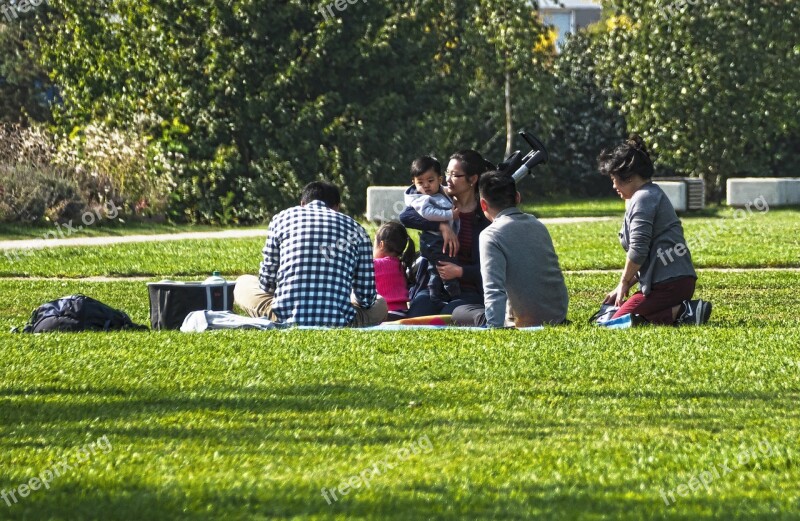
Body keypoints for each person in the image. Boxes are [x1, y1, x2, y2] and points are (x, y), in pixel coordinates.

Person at [234, 182, 387, 327]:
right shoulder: (357, 230)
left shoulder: (281, 219)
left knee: (243, 282)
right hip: (341, 319)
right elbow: (366, 299)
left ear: (302, 203)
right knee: (381, 304)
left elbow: (267, 284)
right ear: (337, 207)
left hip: (282, 317)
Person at [598, 135, 711, 325]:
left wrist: (624, 282)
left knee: (617, 322)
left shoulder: (643, 198)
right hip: (670, 282)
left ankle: (683, 311)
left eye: (614, 179)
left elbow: (638, 250)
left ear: (629, 177)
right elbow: (648, 260)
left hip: (669, 284)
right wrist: (621, 288)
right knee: (614, 318)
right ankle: (683, 312)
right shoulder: (646, 195)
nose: (613, 186)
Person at [451, 171, 569, 328]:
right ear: (517, 197)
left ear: (483, 204)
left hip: (522, 322)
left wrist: (495, 328)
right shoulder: (537, 224)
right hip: (557, 316)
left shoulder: (491, 234)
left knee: (459, 311)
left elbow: (493, 288)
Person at [400, 149, 493, 316]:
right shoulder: (437, 200)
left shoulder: (485, 216)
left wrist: (460, 271)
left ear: (472, 179)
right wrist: (442, 226)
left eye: (455, 175)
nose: (448, 180)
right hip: (432, 286)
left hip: (468, 289)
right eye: (447, 173)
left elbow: (493, 267)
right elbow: (405, 216)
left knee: (452, 314)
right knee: (418, 315)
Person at [403, 156, 460, 303]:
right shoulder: (421, 199)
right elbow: (428, 213)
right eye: (420, 182)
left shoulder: (438, 192)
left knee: (435, 269)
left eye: (430, 181)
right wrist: (448, 215)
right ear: (414, 183)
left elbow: (445, 192)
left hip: (437, 241)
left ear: (439, 180)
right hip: (434, 242)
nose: (426, 186)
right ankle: (449, 294)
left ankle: (439, 294)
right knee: (441, 267)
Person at [373, 221, 416, 318]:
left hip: (386, 313)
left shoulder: (375, 264)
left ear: (381, 244)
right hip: (403, 313)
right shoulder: (401, 265)